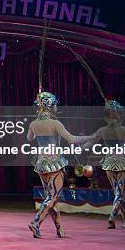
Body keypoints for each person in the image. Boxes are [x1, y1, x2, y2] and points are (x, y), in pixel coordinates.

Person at [26, 92, 97, 238]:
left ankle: (59, 229)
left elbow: (29, 138)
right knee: (52, 196)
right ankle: (36, 222)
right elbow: (71, 139)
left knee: (51, 198)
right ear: (50, 105)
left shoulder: (33, 123)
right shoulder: (55, 123)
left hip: (41, 163)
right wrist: (90, 137)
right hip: (54, 163)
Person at [84, 100, 125, 229]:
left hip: (110, 163)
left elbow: (89, 144)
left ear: (106, 116)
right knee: (120, 193)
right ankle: (112, 217)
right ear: (120, 115)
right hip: (124, 163)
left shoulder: (102, 130)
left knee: (117, 193)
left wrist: (77, 146)